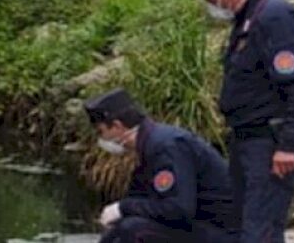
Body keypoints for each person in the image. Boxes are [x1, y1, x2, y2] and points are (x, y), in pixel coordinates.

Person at [185, 0, 294, 243]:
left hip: (270, 143)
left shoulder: (274, 17)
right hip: (245, 140)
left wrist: (290, 146)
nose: (210, 5)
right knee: (239, 227)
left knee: (260, 233)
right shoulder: (246, 18)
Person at [84, 88, 238, 243]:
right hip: (202, 226)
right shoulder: (150, 147)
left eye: (101, 132)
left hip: (221, 231)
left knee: (133, 228)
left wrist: (124, 207)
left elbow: (178, 209)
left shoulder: (166, 147)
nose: (101, 139)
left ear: (117, 126)